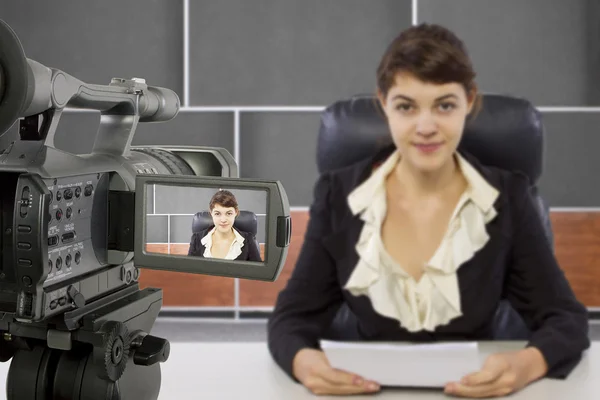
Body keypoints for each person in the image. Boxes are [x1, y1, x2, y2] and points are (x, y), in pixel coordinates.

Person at [267, 23, 590, 398]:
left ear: (469, 102)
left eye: (444, 105)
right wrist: (304, 363)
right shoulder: (339, 195)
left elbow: (566, 319)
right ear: (383, 103)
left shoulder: (507, 197)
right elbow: (292, 319)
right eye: (406, 106)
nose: (426, 127)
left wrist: (524, 367)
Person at [188, 189, 262, 262]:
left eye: (229, 213)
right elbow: (188, 272)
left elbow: (259, 272)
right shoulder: (196, 239)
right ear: (211, 214)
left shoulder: (249, 240)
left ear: (236, 212)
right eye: (217, 214)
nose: (223, 220)